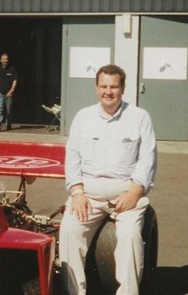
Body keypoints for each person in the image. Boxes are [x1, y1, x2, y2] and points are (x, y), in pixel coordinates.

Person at [59, 64, 158, 294]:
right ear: (96, 88)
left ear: (123, 88)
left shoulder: (139, 117)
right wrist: (77, 192)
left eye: (114, 86)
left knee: (130, 237)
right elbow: (72, 157)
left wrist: (134, 193)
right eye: (103, 86)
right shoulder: (83, 117)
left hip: (126, 195)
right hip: (87, 196)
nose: (108, 91)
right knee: (69, 231)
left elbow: (147, 159)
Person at [0, 53, 18, 132]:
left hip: (9, 94)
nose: (5, 60)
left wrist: (12, 90)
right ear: (1, 60)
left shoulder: (12, 69)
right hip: (0, 93)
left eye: (6, 59)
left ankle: (8, 125)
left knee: (9, 110)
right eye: (4, 59)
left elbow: (15, 79)